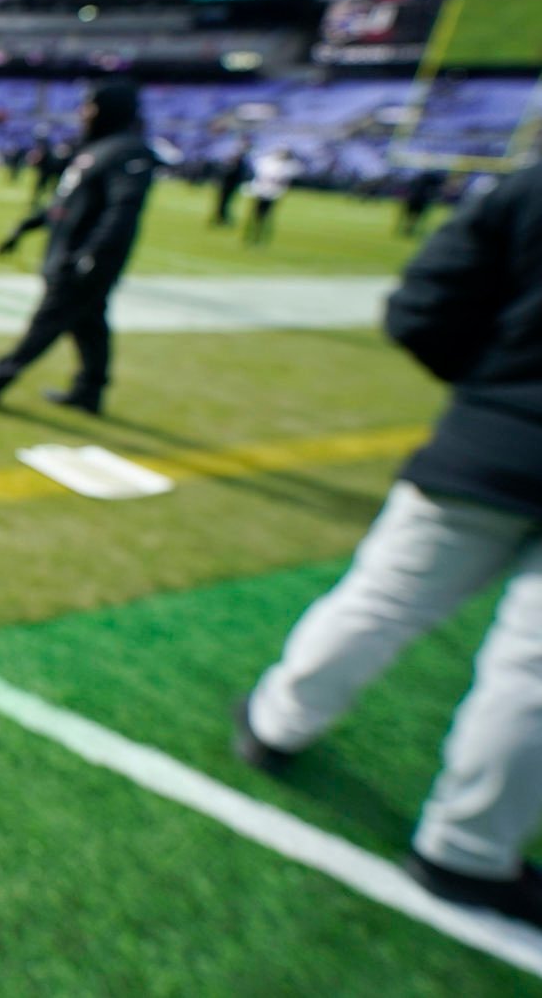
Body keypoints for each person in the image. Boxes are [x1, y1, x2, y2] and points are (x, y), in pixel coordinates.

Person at [234, 163, 542, 926]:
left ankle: (277, 721)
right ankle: (466, 849)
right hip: (494, 431)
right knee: (533, 670)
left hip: (485, 444)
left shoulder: (528, 185)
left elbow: (420, 309)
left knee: (381, 598)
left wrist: (496, 391)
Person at [0, 80, 157, 413]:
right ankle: (90, 389)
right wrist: (26, 226)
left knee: (48, 322)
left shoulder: (128, 151)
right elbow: (65, 203)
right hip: (71, 254)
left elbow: (123, 210)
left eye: (91, 106)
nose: (84, 113)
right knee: (90, 325)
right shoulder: (96, 148)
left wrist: (93, 254)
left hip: (82, 260)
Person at [243, 145, 301, 246]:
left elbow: (295, 171)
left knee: (266, 216)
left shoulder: (287, 166)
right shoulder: (267, 162)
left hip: (273, 192)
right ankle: (249, 235)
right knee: (255, 214)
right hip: (261, 190)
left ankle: (259, 237)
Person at [210, 139, 251, 227]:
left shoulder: (241, 161)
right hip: (227, 184)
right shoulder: (236, 160)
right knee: (222, 203)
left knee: (224, 203)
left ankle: (221, 218)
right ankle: (220, 218)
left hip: (231, 185)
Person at [398, 169, 446, 238]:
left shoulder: (419, 180)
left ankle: (404, 228)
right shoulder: (432, 182)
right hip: (421, 200)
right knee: (415, 216)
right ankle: (408, 229)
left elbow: (410, 187)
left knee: (408, 215)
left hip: (414, 198)